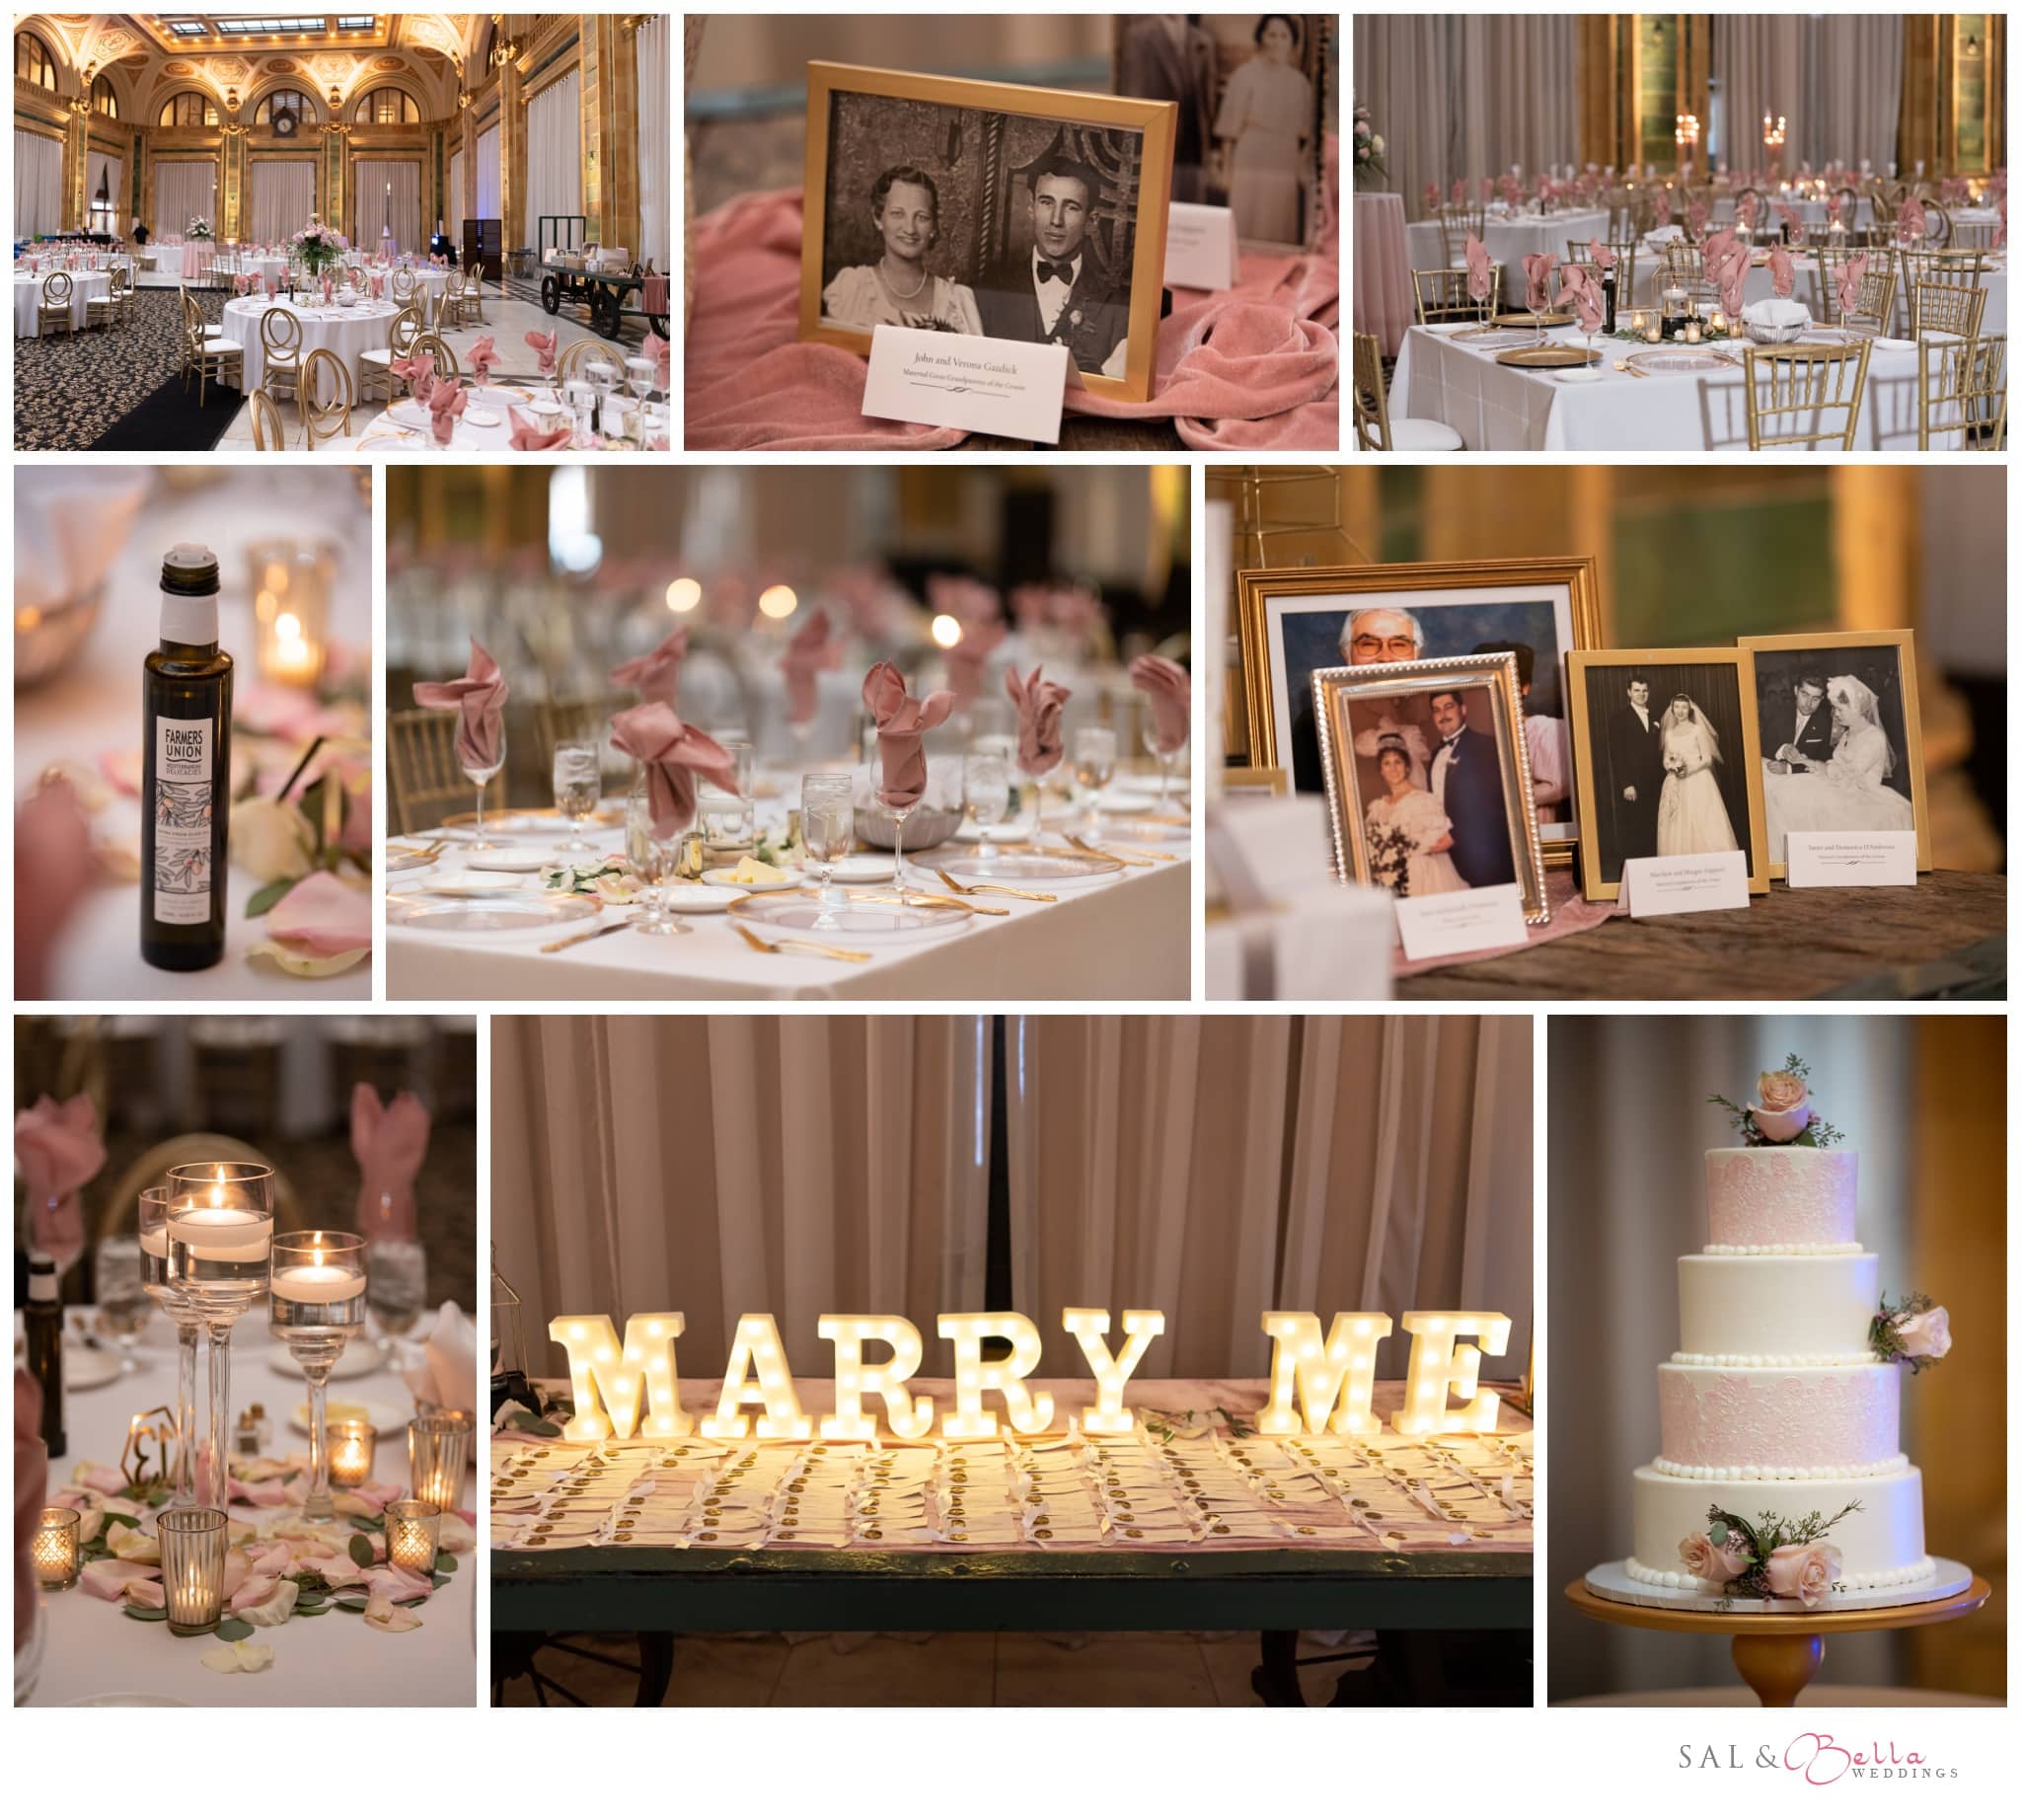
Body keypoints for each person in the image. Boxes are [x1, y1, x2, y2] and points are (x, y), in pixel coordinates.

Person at [974, 154, 1130, 377]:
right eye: (1047, 203)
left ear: (1091, 220)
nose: (1056, 220)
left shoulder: (1118, 310)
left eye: (1071, 207)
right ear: (1031, 208)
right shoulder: (987, 292)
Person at [1761, 674, 1914, 863]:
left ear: (1855, 708)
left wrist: (1809, 766)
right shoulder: (1848, 734)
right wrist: (1804, 761)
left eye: (1840, 709)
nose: (1836, 714)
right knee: (1783, 791)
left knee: (1796, 799)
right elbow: (1832, 765)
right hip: (1840, 786)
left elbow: (1848, 772)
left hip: (1861, 795)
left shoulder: (1874, 737)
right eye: (1835, 708)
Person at [823, 164, 984, 335]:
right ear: (878, 218)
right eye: (898, 214)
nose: (910, 229)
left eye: (921, 217)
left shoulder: (957, 301)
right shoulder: (852, 289)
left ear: (934, 226)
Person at [1289, 604, 1428, 795]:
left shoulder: (1437, 714)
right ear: (1346, 653)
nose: (1386, 658)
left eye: (1399, 645)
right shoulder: (1315, 724)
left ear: (1417, 654)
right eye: (1369, 644)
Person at [1213, 16, 1314, 244]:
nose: (1277, 41)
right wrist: (1226, 171)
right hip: (1250, 155)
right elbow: (1228, 131)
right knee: (1246, 218)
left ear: (1292, 42)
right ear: (1261, 38)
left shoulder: (1300, 84)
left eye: (1283, 36)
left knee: (1278, 221)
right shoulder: (1244, 75)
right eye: (1271, 35)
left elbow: (1306, 138)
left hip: (1284, 159)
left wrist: (1300, 169)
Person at [1118, 15, 1217, 203]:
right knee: (1156, 202)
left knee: (1191, 206)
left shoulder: (1203, 41)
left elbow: (1207, 99)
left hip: (1193, 144)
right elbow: (1133, 94)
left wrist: (1212, 147)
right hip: (1157, 139)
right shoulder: (1139, 37)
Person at [1428, 689, 1518, 887]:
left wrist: (1456, 835)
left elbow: (1494, 805)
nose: (1443, 715)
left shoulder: (1486, 746)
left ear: (1463, 709)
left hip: (1484, 856)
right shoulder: (1435, 754)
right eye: (1436, 710)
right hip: (1448, 858)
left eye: (1448, 707)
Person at [1364, 736, 1466, 898]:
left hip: (1425, 877)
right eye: (1387, 763)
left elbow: (1446, 840)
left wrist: (1409, 852)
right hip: (1394, 879)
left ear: (1407, 767)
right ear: (1381, 770)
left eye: (1398, 762)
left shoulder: (1423, 800)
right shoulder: (1379, 807)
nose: (1393, 769)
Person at [1473, 639, 1568, 810]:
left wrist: (1492, 797)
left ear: (1525, 688)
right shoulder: (1478, 737)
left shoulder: (1544, 730)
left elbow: (1558, 785)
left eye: (1505, 683)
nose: (1495, 692)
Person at [1656, 695, 1740, 856]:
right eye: (1677, 707)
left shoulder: (1697, 730)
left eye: (1684, 707)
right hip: (1675, 783)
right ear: (1672, 709)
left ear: (1690, 709)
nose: (1680, 711)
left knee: (1702, 820)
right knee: (1677, 823)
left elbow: (1707, 759)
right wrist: (1671, 767)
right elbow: (1666, 758)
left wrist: (1687, 770)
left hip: (1698, 780)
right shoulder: (1669, 733)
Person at [1607, 676, 1665, 862]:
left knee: (1653, 828)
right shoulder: (1619, 718)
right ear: (1629, 692)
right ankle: (1634, 873)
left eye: (1645, 690)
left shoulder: (1656, 716)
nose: (1641, 694)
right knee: (1634, 830)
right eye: (1637, 690)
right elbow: (1617, 755)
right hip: (1634, 785)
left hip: (1655, 783)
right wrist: (1626, 784)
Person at [1771, 674, 1837, 768]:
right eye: (1805, 695)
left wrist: (1789, 769)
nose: (1808, 704)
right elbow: (1762, 744)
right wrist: (1782, 750)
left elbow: (1826, 761)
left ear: (1822, 699)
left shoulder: (1826, 723)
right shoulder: (1779, 712)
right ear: (1795, 690)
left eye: (1815, 698)